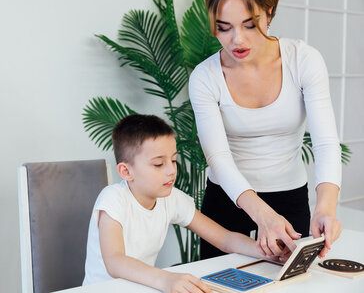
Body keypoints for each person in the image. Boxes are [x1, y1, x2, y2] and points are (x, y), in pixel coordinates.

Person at [188, 0, 342, 261]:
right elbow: (218, 158)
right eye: (224, 27)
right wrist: (262, 215)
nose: (237, 40)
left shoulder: (303, 60)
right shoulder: (204, 77)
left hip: (290, 199)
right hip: (227, 201)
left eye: (249, 24)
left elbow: (325, 143)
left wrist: (326, 207)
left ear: (269, 11)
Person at [82, 114, 281, 293]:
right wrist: (166, 279)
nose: (171, 171)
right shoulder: (113, 198)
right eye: (159, 164)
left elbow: (224, 238)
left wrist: (266, 252)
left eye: (174, 160)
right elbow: (115, 262)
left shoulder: (171, 198)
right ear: (126, 172)